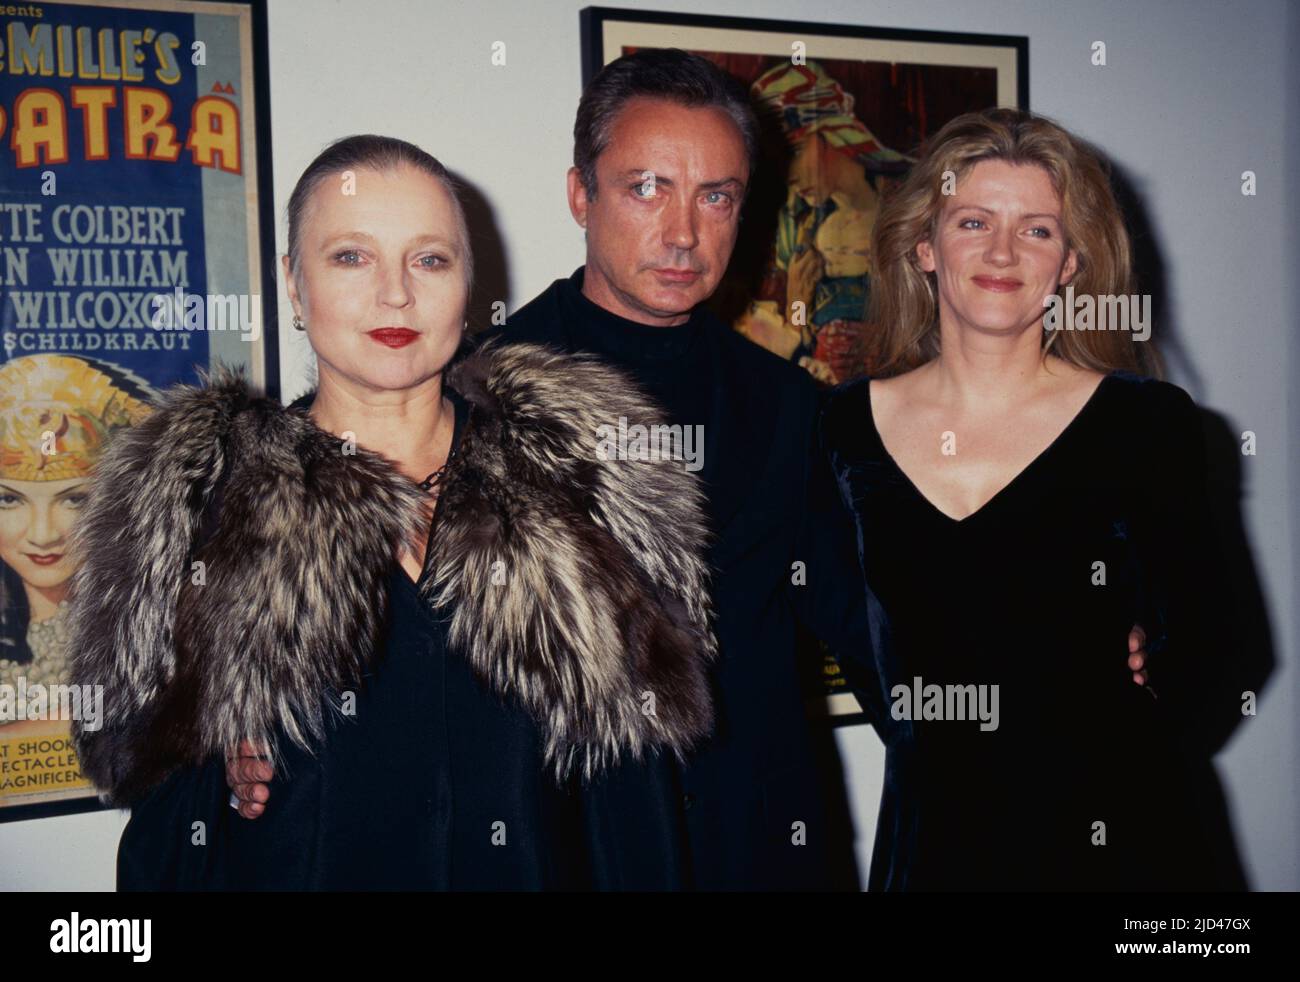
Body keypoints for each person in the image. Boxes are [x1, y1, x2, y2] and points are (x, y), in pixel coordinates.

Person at [230, 51, 1155, 891]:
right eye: (646, 188)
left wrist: (1058, 657)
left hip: (760, 852)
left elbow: (884, 629)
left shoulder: (791, 408)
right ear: (579, 194)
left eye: (715, 196)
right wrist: (240, 744)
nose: (682, 231)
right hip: (569, 857)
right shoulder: (475, 394)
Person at [66, 134, 718, 890]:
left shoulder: (588, 481)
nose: (396, 294)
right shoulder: (194, 499)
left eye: (429, 259)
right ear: (292, 281)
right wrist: (221, 775)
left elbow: (637, 814)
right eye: (351, 257)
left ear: (469, 282)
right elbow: (152, 811)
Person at [820, 107, 1246, 890]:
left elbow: (1220, 643)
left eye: (1039, 230)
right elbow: (851, 635)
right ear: (924, 245)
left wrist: (1158, 665)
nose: (1003, 252)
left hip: (1123, 842)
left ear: (1073, 263)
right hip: (933, 843)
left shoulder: (1146, 424)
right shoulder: (844, 427)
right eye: (974, 221)